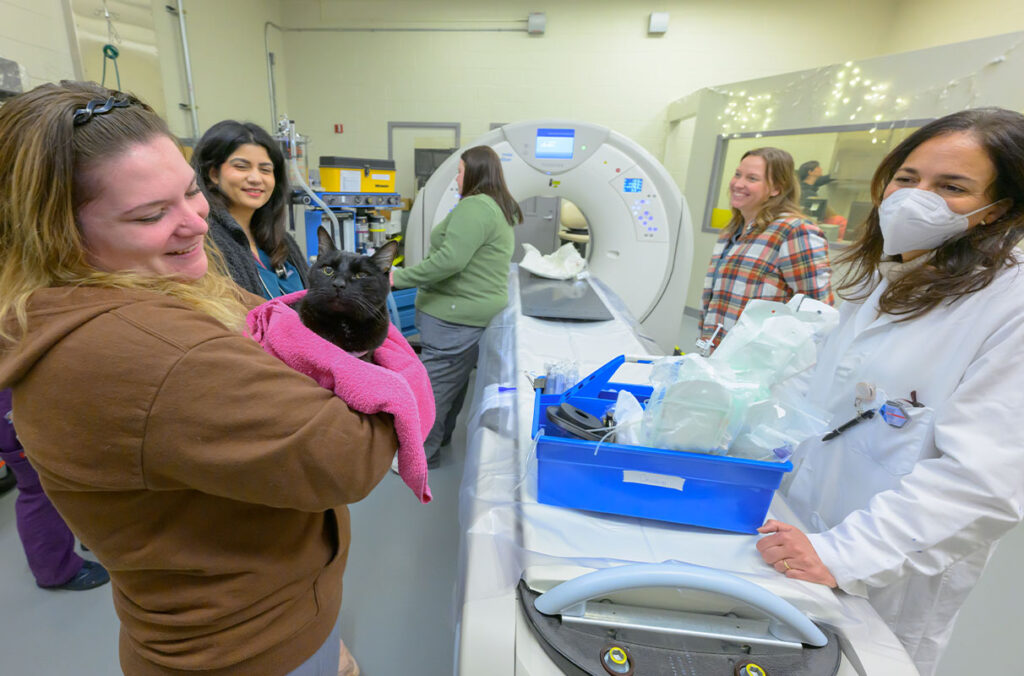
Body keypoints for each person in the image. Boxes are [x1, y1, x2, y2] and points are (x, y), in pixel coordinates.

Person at [0, 81, 397, 675]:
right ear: (58, 233)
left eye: (189, 193)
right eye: (151, 214)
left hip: (253, 606)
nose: (194, 224)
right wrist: (394, 369)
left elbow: (267, 319)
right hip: (247, 646)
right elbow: (350, 458)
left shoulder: (150, 282)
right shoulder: (149, 353)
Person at [755, 108, 1024, 676]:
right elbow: (830, 402)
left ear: (997, 210)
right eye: (908, 178)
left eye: (952, 187)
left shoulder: (1010, 303)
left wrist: (842, 555)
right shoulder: (890, 274)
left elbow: (983, 482)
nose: (915, 198)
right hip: (801, 540)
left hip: (884, 575)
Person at [391, 146, 522, 468]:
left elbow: (450, 260)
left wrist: (397, 278)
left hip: (455, 314)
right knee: (455, 379)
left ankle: (420, 455)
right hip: (473, 312)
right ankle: (442, 437)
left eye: (460, 170)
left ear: (476, 173)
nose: (456, 177)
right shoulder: (495, 207)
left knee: (435, 385)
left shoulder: (475, 207)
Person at [699, 147, 833, 351]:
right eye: (737, 174)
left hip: (758, 363)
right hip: (717, 354)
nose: (738, 184)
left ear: (776, 189)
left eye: (752, 178)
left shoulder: (794, 231)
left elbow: (818, 312)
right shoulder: (731, 232)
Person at [1, 388, 110, 590]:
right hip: (11, 400)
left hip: (28, 390)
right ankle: (56, 571)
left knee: (72, 469)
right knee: (38, 486)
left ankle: (89, 535)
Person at [192, 120, 309, 299]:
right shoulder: (205, 244)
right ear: (213, 174)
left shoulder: (279, 240)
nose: (256, 178)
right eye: (241, 166)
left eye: (265, 169)